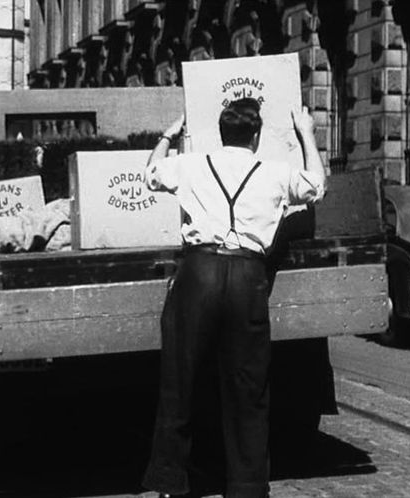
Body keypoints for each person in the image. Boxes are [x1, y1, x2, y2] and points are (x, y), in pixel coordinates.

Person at [142, 98, 326, 498]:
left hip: (199, 273)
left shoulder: (191, 164)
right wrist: (306, 134)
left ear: (221, 133)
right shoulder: (276, 172)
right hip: (248, 276)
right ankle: (246, 487)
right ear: (256, 136)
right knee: (248, 385)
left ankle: (172, 481)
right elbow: (316, 187)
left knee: (180, 379)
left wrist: (168, 135)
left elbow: (150, 175)